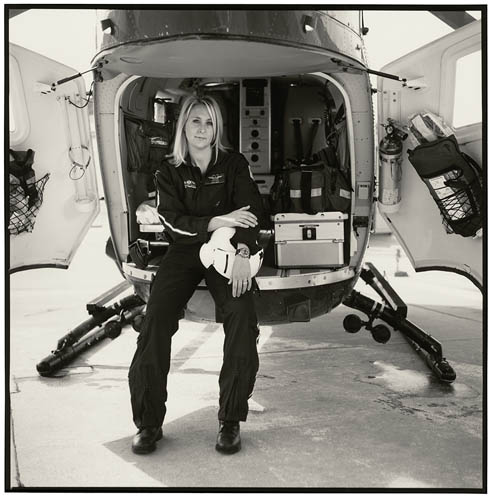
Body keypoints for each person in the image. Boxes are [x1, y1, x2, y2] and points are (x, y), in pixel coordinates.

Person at [128, 95, 265, 455]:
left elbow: (251, 211)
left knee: (242, 315)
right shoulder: (168, 169)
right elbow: (173, 222)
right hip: (185, 250)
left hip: (228, 249)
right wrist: (216, 220)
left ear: (217, 128)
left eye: (209, 122)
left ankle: (230, 419)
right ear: (183, 126)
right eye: (195, 121)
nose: (202, 129)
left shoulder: (233, 164)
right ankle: (148, 423)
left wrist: (243, 252)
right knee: (155, 319)